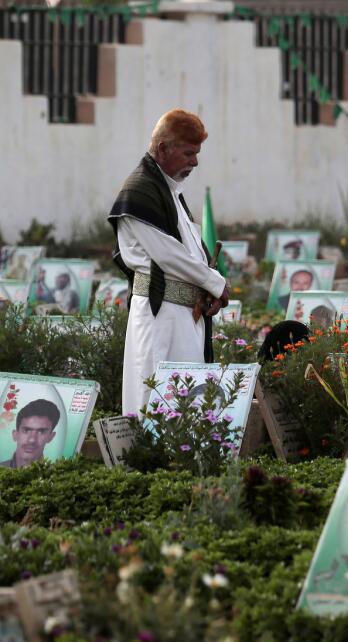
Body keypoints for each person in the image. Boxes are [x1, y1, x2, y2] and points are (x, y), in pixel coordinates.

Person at [107, 109, 229, 415]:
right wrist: (216, 283)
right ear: (163, 149)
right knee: (157, 401)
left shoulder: (170, 191)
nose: (195, 162)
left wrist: (208, 290)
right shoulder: (138, 191)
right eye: (189, 153)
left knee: (190, 402)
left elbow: (190, 252)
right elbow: (167, 253)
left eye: (197, 153)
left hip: (186, 316)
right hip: (159, 315)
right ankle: (152, 464)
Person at [0, 399, 60, 468]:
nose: (32, 440)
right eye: (26, 430)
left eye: (41, 431)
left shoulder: (58, 475)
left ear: (51, 437)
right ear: (15, 434)